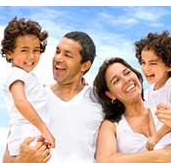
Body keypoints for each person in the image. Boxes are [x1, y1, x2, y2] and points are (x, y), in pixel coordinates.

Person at [6, 31, 103, 163]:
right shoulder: (34, 98)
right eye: (57, 52)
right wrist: (21, 161)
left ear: (85, 65)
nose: (58, 58)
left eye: (67, 55)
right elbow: (7, 157)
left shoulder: (100, 100)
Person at [94, 57, 171, 163]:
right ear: (111, 94)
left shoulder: (163, 106)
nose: (126, 80)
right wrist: (159, 156)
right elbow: (105, 160)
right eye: (116, 81)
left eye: (127, 73)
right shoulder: (112, 125)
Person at [1, 17, 55, 159]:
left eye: (36, 50)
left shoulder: (28, 76)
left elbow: (41, 91)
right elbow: (21, 102)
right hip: (26, 136)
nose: (31, 56)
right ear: (9, 53)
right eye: (24, 50)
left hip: (31, 134)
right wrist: (44, 130)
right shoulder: (15, 75)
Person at [135, 31, 171, 151]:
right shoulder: (148, 92)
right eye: (143, 63)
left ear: (170, 65)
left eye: (153, 63)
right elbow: (150, 119)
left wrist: (156, 137)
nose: (146, 68)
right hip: (162, 143)